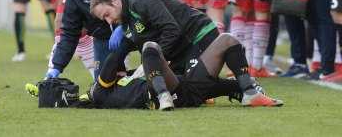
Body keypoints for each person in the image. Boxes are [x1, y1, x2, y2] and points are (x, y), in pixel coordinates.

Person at [91, 26, 283, 109]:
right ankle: (163, 97)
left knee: (228, 39)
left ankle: (247, 91)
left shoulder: (128, 79)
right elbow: (110, 63)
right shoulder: (103, 93)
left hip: (188, 87)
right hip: (175, 91)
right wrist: (125, 42)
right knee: (150, 48)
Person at [45, 0, 147, 80]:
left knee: (150, 66)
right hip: (103, 39)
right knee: (103, 85)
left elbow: (146, 5)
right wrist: (57, 66)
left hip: (135, 28)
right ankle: (128, 81)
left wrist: (124, 26)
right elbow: (69, 33)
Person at [90, 0, 221, 76]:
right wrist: (127, 73)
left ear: (115, 1)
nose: (109, 21)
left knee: (195, 86)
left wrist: (152, 62)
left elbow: (171, 29)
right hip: (184, 47)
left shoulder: (140, 2)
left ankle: (236, 86)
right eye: (104, 19)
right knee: (173, 84)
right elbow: (146, 50)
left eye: (107, 14)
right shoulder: (125, 23)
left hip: (200, 33)